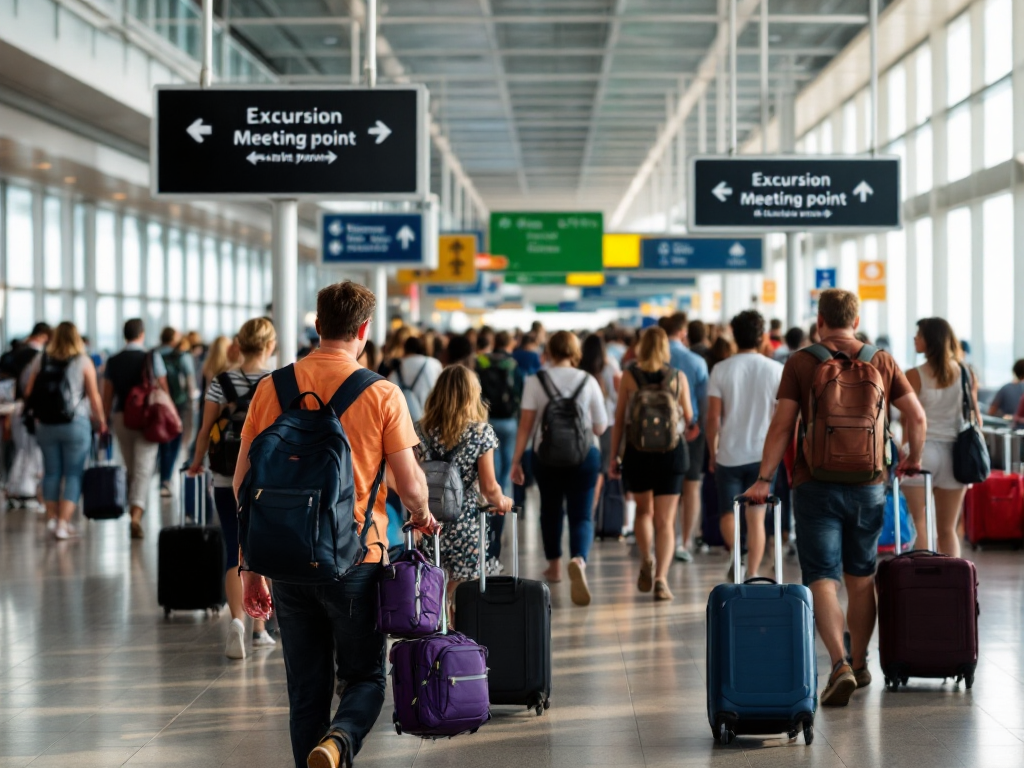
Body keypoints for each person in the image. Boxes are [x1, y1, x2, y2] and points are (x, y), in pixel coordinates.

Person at [235, 281, 437, 768]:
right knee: (365, 677)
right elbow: (410, 484)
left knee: (306, 690)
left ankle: (319, 750)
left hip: (286, 559)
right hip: (356, 560)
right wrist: (420, 513)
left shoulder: (271, 388)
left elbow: (243, 485)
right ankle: (339, 740)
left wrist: (250, 566)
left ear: (318, 324)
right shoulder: (382, 394)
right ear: (363, 330)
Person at [743, 288, 926, 707]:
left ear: (820, 321)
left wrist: (764, 479)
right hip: (869, 484)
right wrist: (912, 459)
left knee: (822, 576)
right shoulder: (881, 360)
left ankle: (839, 663)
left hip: (814, 482)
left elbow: (782, 425)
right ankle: (860, 663)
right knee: (861, 577)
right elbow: (916, 416)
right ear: (856, 321)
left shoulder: (801, 361)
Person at [188, 318, 278, 659]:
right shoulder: (276, 382)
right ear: (270, 345)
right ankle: (260, 629)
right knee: (263, 549)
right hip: (266, 479)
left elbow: (205, 429)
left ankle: (237, 621)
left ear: (239, 345)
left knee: (233, 547)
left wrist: (196, 462)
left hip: (225, 476)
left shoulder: (220, 382)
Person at [511, 331, 606, 607]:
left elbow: (526, 426)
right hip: (584, 456)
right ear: (575, 351)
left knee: (550, 510)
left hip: (546, 456)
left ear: (549, 351)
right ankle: (579, 559)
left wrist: (516, 461)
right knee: (582, 514)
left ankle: (554, 567)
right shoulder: (588, 380)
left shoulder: (535, 380)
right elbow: (600, 427)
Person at [416, 366, 513, 619]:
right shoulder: (480, 434)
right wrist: (503, 501)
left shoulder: (419, 431)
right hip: (465, 522)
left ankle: (439, 620)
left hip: (428, 522)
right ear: (472, 395)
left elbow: (413, 479)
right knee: (461, 588)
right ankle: (452, 626)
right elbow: (490, 488)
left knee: (433, 577)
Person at [610, 327, 696, 602]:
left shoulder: (629, 375)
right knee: (666, 521)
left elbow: (620, 419)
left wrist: (614, 456)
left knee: (643, 513)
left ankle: (647, 558)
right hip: (672, 453)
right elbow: (689, 417)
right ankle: (661, 579)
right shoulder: (677, 377)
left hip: (638, 452)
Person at [705, 311, 783, 580]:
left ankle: (736, 556)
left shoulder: (721, 369)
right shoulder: (775, 370)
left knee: (728, 513)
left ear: (734, 337)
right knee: (757, 518)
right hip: (763, 457)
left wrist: (712, 451)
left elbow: (713, 417)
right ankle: (752, 572)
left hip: (729, 453)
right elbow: (780, 419)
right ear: (762, 337)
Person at [901, 318, 981, 558]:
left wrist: (905, 451)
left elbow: (909, 420)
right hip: (956, 456)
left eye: (919, 334)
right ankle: (952, 579)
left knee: (920, 523)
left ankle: (923, 577)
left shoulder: (914, 375)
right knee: (947, 530)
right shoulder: (966, 373)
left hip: (921, 453)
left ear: (930, 340)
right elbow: (976, 418)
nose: (915, 338)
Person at [24, 322, 106, 540]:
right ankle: (63, 523)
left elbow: (29, 392)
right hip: (75, 423)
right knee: (73, 473)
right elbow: (94, 396)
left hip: (45, 424)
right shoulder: (83, 361)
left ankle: (52, 519)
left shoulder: (41, 359)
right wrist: (101, 421)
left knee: (51, 472)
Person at [102, 319, 170, 540]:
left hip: (122, 417)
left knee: (131, 467)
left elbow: (108, 394)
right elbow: (163, 387)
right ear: (142, 334)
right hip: (147, 417)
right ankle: (136, 514)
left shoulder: (113, 360)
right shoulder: (151, 357)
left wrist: (103, 421)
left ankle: (135, 508)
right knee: (144, 467)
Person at [663, 313, 708, 564]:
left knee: (665, 490)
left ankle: (665, 538)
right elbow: (704, 402)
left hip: (657, 433)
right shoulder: (696, 361)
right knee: (691, 486)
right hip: (691, 430)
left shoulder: (654, 359)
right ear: (683, 332)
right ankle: (685, 542)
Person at [476, 330, 524, 560]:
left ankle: (491, 512)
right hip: (509, 422)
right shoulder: (512, 365)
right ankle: (502, 515)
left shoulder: (481, 362)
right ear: (510, 344)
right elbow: (519, 394)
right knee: (506, 473)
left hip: (487, 420)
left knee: (490, 473)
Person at [578, 333, 621, 515]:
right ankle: (591, 509)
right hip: (607, 423)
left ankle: (583, 506)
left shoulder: (578, 367)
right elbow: (617, 396)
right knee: (601, 468)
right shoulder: (610, 367)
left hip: (582, 425)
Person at [157, 327, 197, 497]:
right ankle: (166, 480)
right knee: (175, 441)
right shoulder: (183, 356)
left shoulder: (155, 354)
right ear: (173, 338)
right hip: (179, 404)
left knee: (162, 440)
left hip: (160, 404)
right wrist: (192, 402)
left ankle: (163, 475)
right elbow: (190, 382)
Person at [388, 336, 442, 422]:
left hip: (404, 421)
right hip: (429, 419)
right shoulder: (434, 364)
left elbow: (390, 395)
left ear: (405, 349)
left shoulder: (398, 368)